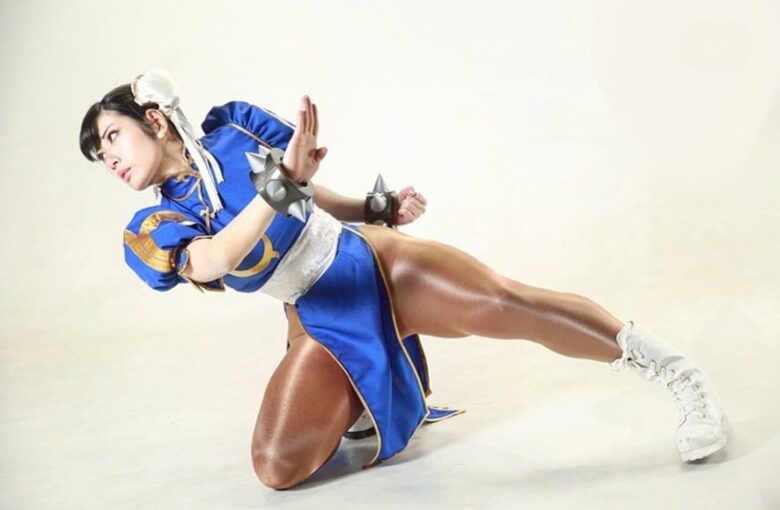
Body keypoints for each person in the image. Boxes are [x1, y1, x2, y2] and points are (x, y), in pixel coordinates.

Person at [79, 70, 732, 490]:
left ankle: (681, 376)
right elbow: (217, 259)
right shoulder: (155, 224)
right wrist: (283, 184)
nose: (110, 158)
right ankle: (364, 398)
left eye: (112, 136)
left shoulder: (231, 127)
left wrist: (375, 207)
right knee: (277, 466)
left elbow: (308, 199)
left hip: (370, 259)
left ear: (155, 119)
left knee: (505, 303)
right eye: (99, 154)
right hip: (316, 309)